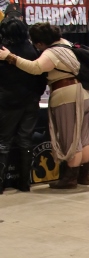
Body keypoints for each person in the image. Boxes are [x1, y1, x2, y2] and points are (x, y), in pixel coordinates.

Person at [0, 22, 89, 189]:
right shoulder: (67, 44)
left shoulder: (52, 53)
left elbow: (35, 68)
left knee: (70, 138)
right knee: (84, 137)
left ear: (40, 42)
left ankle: (69, 178)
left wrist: (10, 57)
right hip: (86, 93)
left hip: (67, 95)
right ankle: (84, 176)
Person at [0, 17, 46, 193]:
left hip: (8, 102)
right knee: (25, 140)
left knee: (3, 141)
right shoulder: (32, 50)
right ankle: (25, 182)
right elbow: (41, 77)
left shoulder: (3, 51)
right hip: (30, 102)